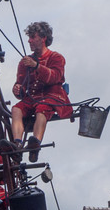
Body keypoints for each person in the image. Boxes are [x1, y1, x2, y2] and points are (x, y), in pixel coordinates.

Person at [7, 21, 70, 163]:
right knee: (16, 109)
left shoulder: (56, 57)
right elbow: (22, 85)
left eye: (32, 37)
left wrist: (36, 66)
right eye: (29, 37)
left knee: (42, 109)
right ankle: (17, 144)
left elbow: (54, 77)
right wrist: (18, 89)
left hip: (51, 95)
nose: (29, 40)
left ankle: (35, 144)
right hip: (33, 98)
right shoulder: (25, 62)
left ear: (43, 38)